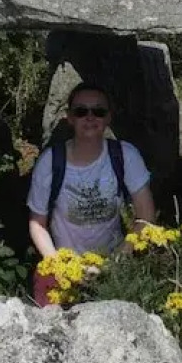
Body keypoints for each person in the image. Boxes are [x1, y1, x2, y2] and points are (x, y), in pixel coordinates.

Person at [26, 82, 156, 307]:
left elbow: (146, 217)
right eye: (81, 111)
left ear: (108, 118)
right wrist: (58, 264)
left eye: (98, 111)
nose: (90, 117)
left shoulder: (125, 156)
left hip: (114, 262)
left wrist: (118, 260)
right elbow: (37, 223)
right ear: (70, 118)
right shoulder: (50, 162)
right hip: (62, 264)